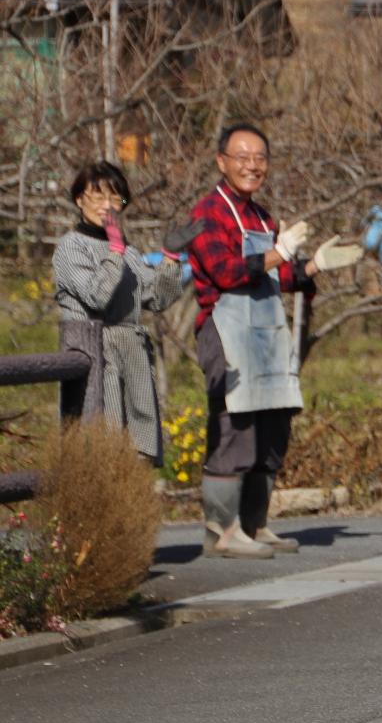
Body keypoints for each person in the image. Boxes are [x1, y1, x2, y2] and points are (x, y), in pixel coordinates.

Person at [185, 123, 319, 559]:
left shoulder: (262, 217)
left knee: (273, 427)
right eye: (241, 157)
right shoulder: (207, 213)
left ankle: (254, 524)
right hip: (226, 334)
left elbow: (278, 276)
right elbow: (226, 271)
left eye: (259, 157)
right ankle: (220, 531)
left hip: (265, 333)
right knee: (234, 427)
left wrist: (313, 267)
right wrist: (279, 253)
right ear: (221, 161)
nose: (252, 165)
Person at [51, 161, 186, 464]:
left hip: (131, 353)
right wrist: (114, 251)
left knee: (138, 453)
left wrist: (170, 259)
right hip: (95, 352)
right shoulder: (71, 247)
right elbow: (96, 296)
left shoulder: (130, 251)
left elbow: (158, 298)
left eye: (115, 199)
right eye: (98, 197)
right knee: (103, 446)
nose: (107, 206)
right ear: (79, 200)